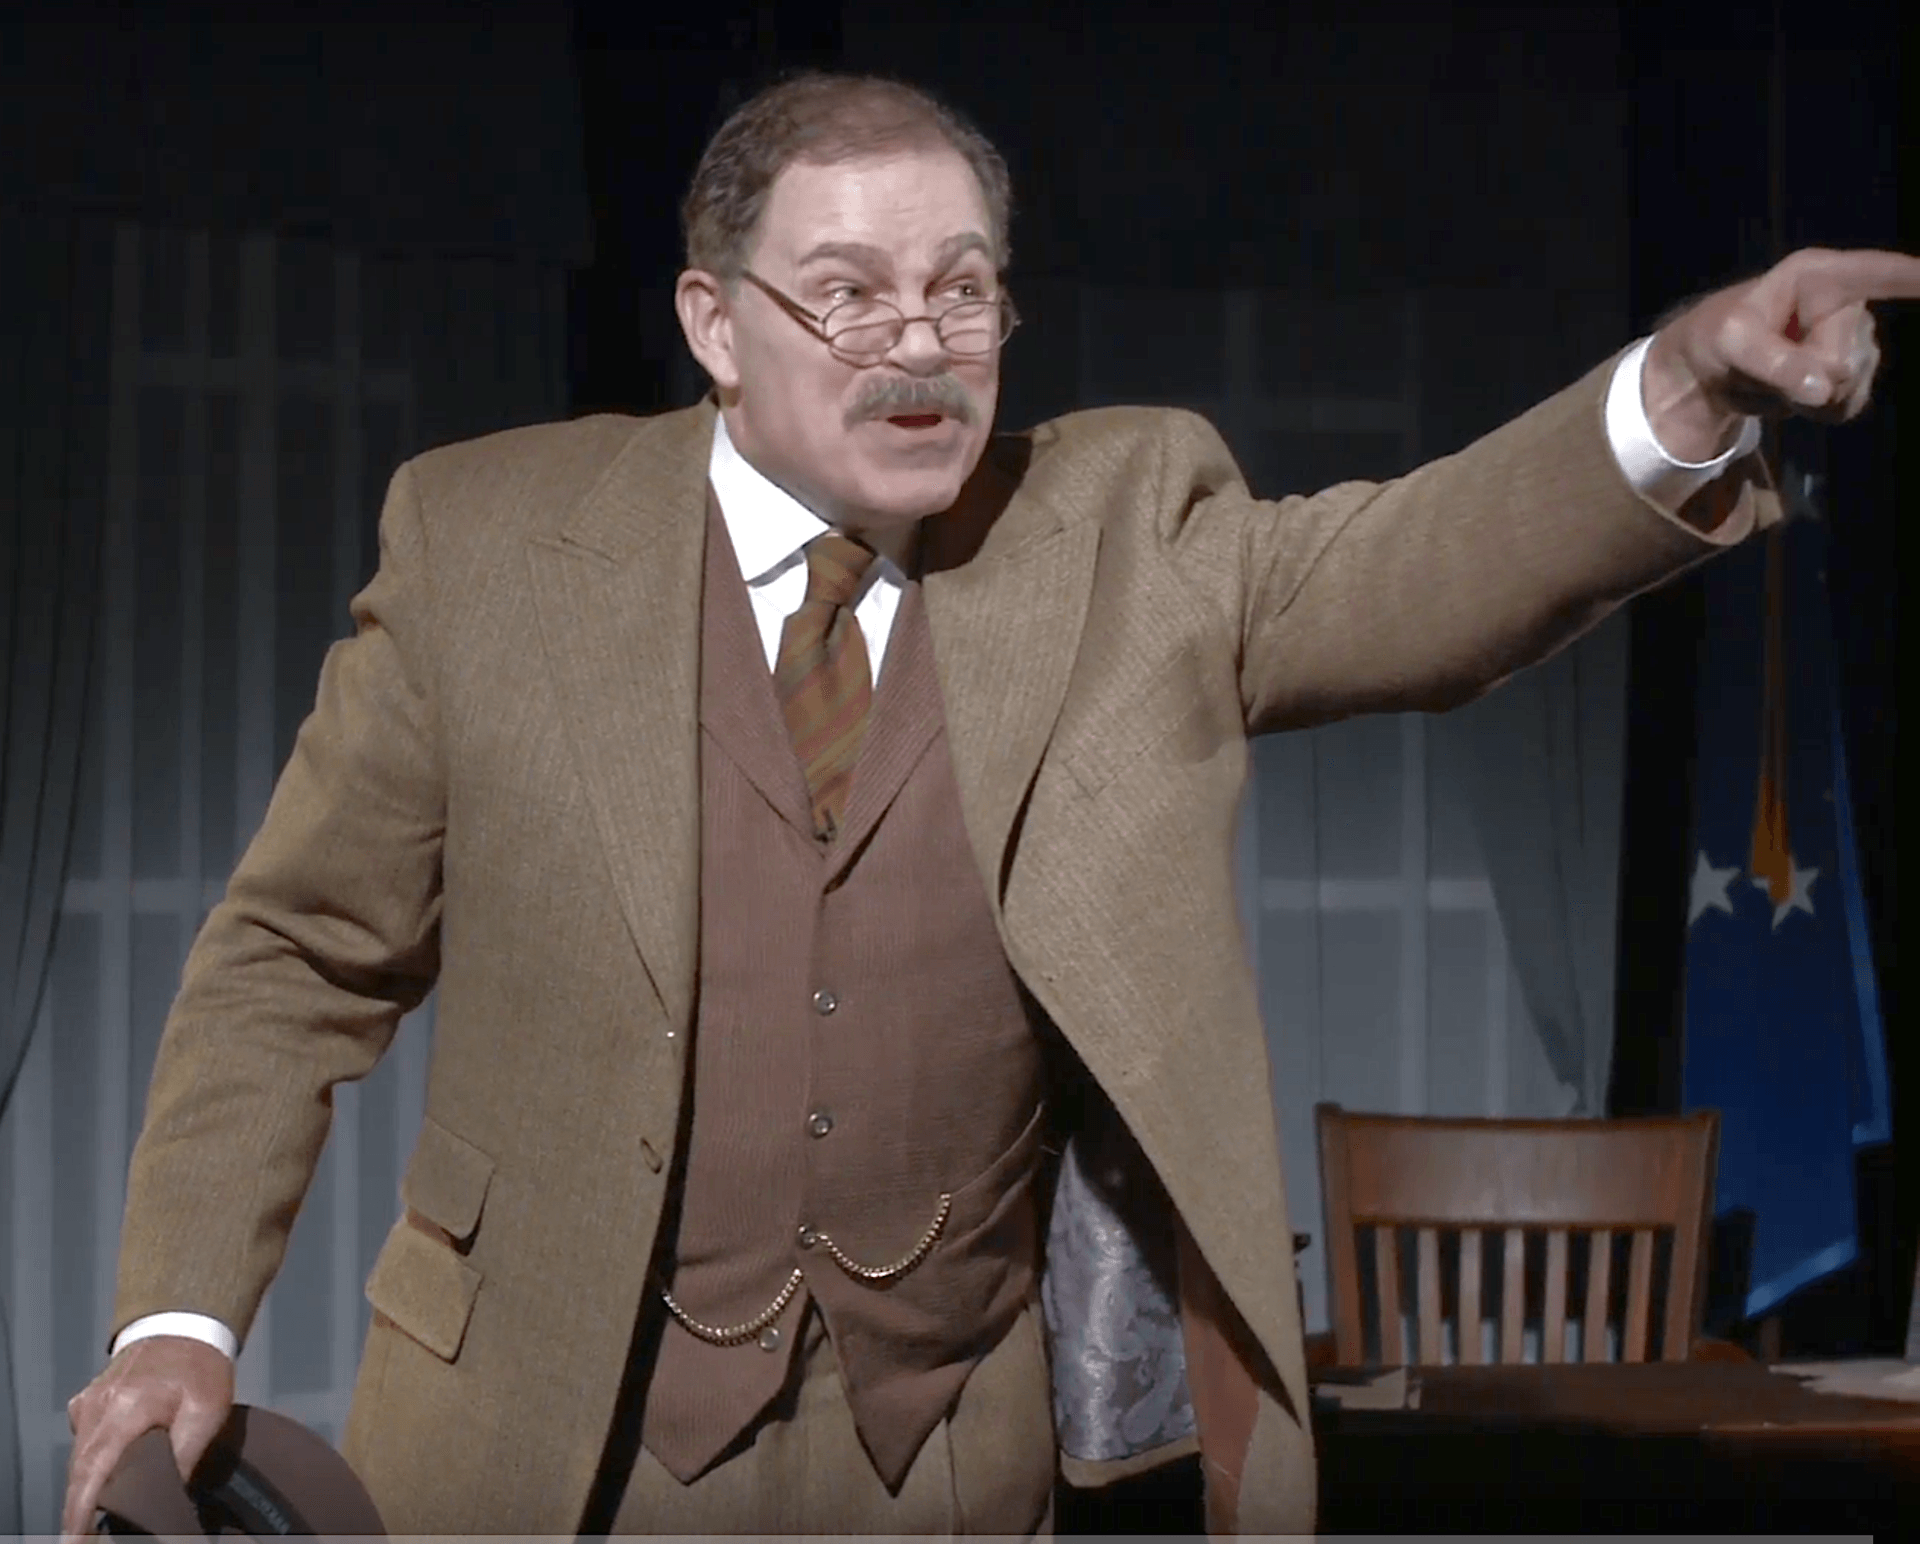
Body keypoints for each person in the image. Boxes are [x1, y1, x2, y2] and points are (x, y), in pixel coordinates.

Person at [62, 71, 1915, 1538]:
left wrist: (1681, 387)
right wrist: (176, 1321)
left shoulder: (1121, 529)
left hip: (947, 1462)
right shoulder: (485, 545)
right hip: (537, 1453)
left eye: (962, 290)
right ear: (714, 323)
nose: (921, 344)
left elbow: (1413, 571)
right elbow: (294, 955)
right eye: (850, 293)